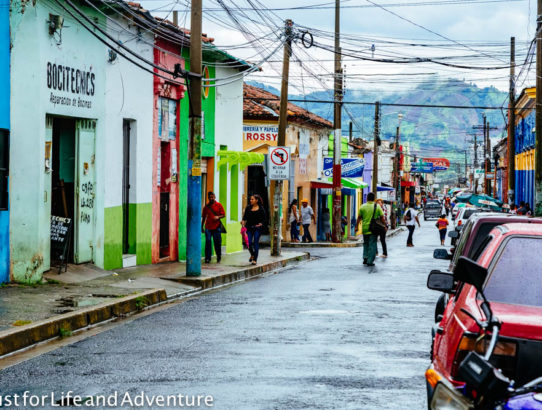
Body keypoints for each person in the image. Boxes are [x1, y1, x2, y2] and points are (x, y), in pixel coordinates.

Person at [356, 192, 386, 267]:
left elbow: (359, 217)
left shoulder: (362, 206)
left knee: (366, 243)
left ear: (367, 198)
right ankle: (370, 261)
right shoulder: (377, 206)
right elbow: (382, 217)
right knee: (372, 244)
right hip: (373, 228)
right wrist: (384, 225)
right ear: (374, 199)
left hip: (365, 228)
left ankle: (365, 257)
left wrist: (356, 226)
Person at [201, 192, 226, 264]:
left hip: (216, 227)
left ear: (215, 197)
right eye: (210, 197)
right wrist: (201, 226)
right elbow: (204, 217)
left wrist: (218, 217)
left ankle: (218, 256)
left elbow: (223, 214)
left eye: (212, 197)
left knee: (217, 242)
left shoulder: (219, 205)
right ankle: (207, 258)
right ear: (208, 198)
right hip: (208, 227)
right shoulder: (206, 207)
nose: (211, 198)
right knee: (208, 242)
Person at [242, 194, 266, 265]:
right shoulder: (248, 208)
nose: (250, 200)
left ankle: (255, 259)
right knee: (248, 243)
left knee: (256, 242)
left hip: (257, 228)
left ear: (256, 200)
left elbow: (264, 219)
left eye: (252, 199)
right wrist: (243, 223)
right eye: (250, 199)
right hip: (249, 228)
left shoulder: (261, 208)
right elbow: (244, 218)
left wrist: (261, 224)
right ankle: (252, 254)